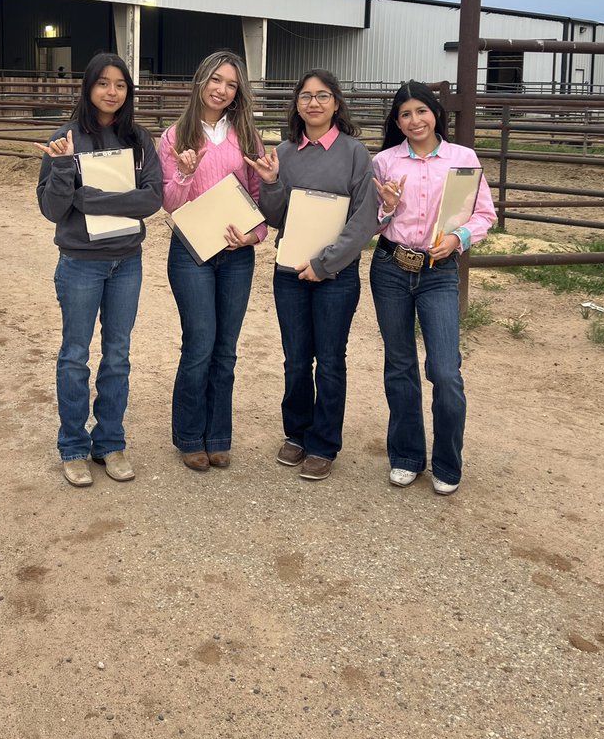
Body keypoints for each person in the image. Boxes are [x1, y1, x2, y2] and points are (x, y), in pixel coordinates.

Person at [36, 53, 162, 487]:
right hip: (81, 263)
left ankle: (110, 441)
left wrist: (88, 198)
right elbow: (53, 210)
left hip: (127, 261)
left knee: (118, 355)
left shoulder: (139, 139)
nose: (112, 92)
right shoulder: (65, 139)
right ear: (88, 88)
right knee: (75, 355)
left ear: (129, 91)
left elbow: (151, 200)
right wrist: (62, 168)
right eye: (103, 83)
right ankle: (73, 445)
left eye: (121, 85)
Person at [247, 70, 378, 482]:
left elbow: (363, 219)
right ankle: (297, 433)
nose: (314, 103)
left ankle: (324, 443)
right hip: (289, 271)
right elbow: (275, 216)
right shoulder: (285, 153)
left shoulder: (356, 153)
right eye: (306, 96)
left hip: (335, 275)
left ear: (336, 103)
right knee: (297, 359)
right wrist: (269, 183)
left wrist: (325, 264)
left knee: (332, 359)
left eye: (323, 96)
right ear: (297, 104)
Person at [370, 80, 496, 496]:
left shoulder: (462, 158)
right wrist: (386, 206)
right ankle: (406, 456)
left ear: (435, 113)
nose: (414, 120)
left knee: (444, 369)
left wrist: (458, 237)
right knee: (400, 363)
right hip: (391, 266)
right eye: (405, 114)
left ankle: (447, 461)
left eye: (421, 111)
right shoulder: (385, 162)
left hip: (439, 270)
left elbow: (483, 213)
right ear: (397, 121)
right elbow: (370, 220)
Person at [159, 51, 267, 471]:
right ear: (201, 80)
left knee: (226, 349)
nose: (222, 90)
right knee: (200, 343)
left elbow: (258, 196)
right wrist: (185, 173)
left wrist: (254, 236)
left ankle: (218, 435)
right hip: (192, 252)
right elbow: (168, 202)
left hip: (236, 254)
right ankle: (189, 435)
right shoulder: (175, 136)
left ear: (239, 92)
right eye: (216, 80)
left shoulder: (248, 136)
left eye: (232, 84)